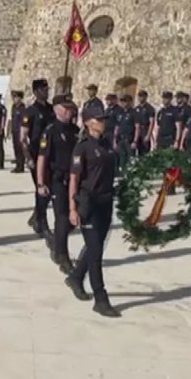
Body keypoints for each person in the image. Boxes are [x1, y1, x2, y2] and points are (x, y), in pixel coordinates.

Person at [64, 107, 120, 317]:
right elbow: (74, 179)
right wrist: (72, 208)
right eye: (99, 119)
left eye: (104, 118)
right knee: (95, 252)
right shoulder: (82, 148)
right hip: (88, 203)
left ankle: (76, 277)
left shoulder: (106, 144)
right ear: (87, 122)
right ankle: (101, 298)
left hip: (105, 202)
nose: (103, 122)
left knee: (95, 246)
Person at [36, 95, 80, 272]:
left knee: (72, 220)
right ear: (56, 109)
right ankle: (62, 255)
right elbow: (42, 158)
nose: (69, 111)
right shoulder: (50, 131)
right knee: (62, 217)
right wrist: (40, 182)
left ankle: (57, 242)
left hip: (74, 180)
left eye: (71, 107)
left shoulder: (75, 131)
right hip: (57, 180)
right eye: (65, 107)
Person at [20, 79, 54, 238]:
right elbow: (23, 137)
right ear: (35, 92)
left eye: (47, 88)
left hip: (51, 155)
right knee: (42, 189)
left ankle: (36, 216)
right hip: (36, 154)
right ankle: (42, 222)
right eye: (43, 89)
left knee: (51, 188)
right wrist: (28, 157)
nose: (46, 91)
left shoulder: (52, 109)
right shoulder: (30, 111)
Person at [113, 94, 138, 171]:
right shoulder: (120, 113)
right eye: (122, 101)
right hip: (120, 139)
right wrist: (114, 141)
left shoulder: (134, 112)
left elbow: (137, 127)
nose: (123, 103)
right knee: (122, 157)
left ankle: (129, 174)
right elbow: (117, 127)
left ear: (130, 102)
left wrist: (135, 141)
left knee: (130, 158)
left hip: (129, 139)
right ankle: (122, 173)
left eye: (125, 101)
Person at [134, 90, 155, 156]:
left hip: (145, 130)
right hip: (138, 131)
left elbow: (151, 122)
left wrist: (148, 135)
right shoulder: (136, 108)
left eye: (142, 96)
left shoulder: (149, 108)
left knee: (145, 151)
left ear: (146, 97)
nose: (140, 98)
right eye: (139, 96)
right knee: (138, 151)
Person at [9, 90, 27, 173]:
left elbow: (24, 121)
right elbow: (12, 119)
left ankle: (21, 166)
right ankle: (17, 165)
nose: (14, 99)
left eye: (16, 97)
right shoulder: (14, 107)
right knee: (15, 148)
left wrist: (23, 132)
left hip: (20, 131)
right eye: (14, 97)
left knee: (20, 149)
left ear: (20, 98)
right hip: (14, 130)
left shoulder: (23, 108)